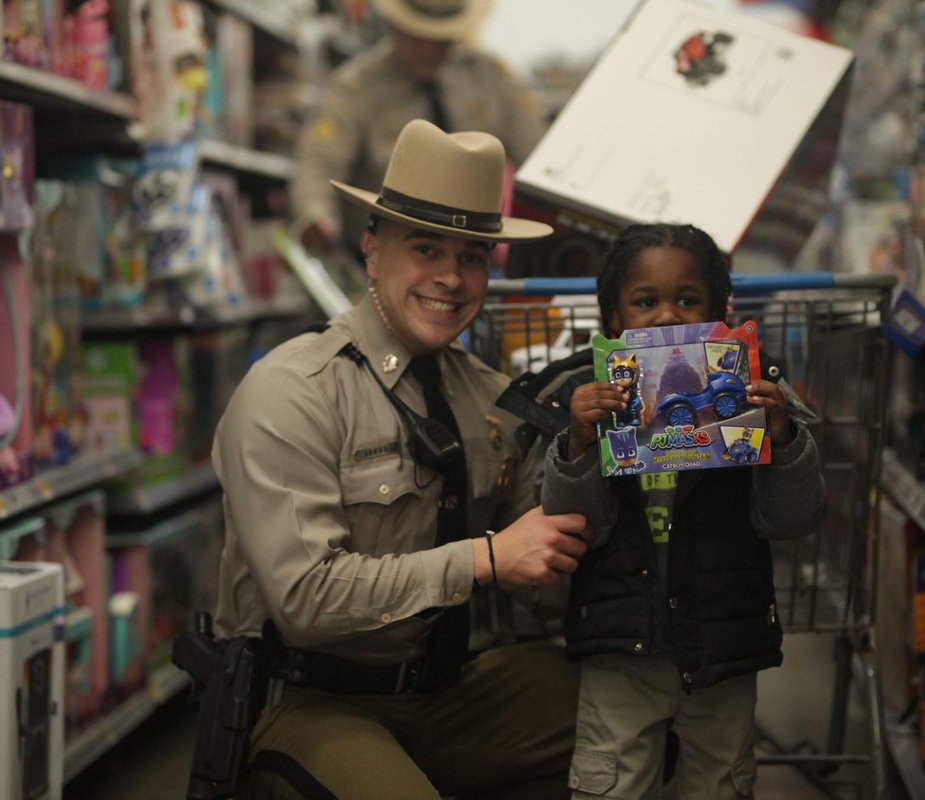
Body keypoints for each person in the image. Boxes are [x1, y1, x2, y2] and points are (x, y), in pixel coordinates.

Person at [212, 118, 592, 800]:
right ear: (372, 249)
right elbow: (306, 601)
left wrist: (600, 456)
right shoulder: (291, 392)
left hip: (448, 691)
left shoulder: (487, 394)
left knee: (639, 715)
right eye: (426, 249)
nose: (451, 278)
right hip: (312, 702)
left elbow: (535, 543)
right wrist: (487, 559)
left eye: (473, 256)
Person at [500, 223, 826, 799]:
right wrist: (578, 442)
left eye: (687, 299)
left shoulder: (749, 392)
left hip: (724, 644)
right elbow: (576, 528)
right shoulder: (587, 398)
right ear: (613, 320)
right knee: (610, 783)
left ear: (721, 312)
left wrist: (783, 437)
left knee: (722, 783)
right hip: (622, 646)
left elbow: (791, 519)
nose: (667, 316)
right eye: (646, 301)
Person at [291, 0, 547, 256]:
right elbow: (319, 165)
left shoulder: (490, 78)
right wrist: (317, 218)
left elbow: (539, 159)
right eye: (419, 35)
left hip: (476, 258)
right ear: (395, 25)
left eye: (442, 37)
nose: (431, 48)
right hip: (379, 260)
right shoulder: (355, 87)